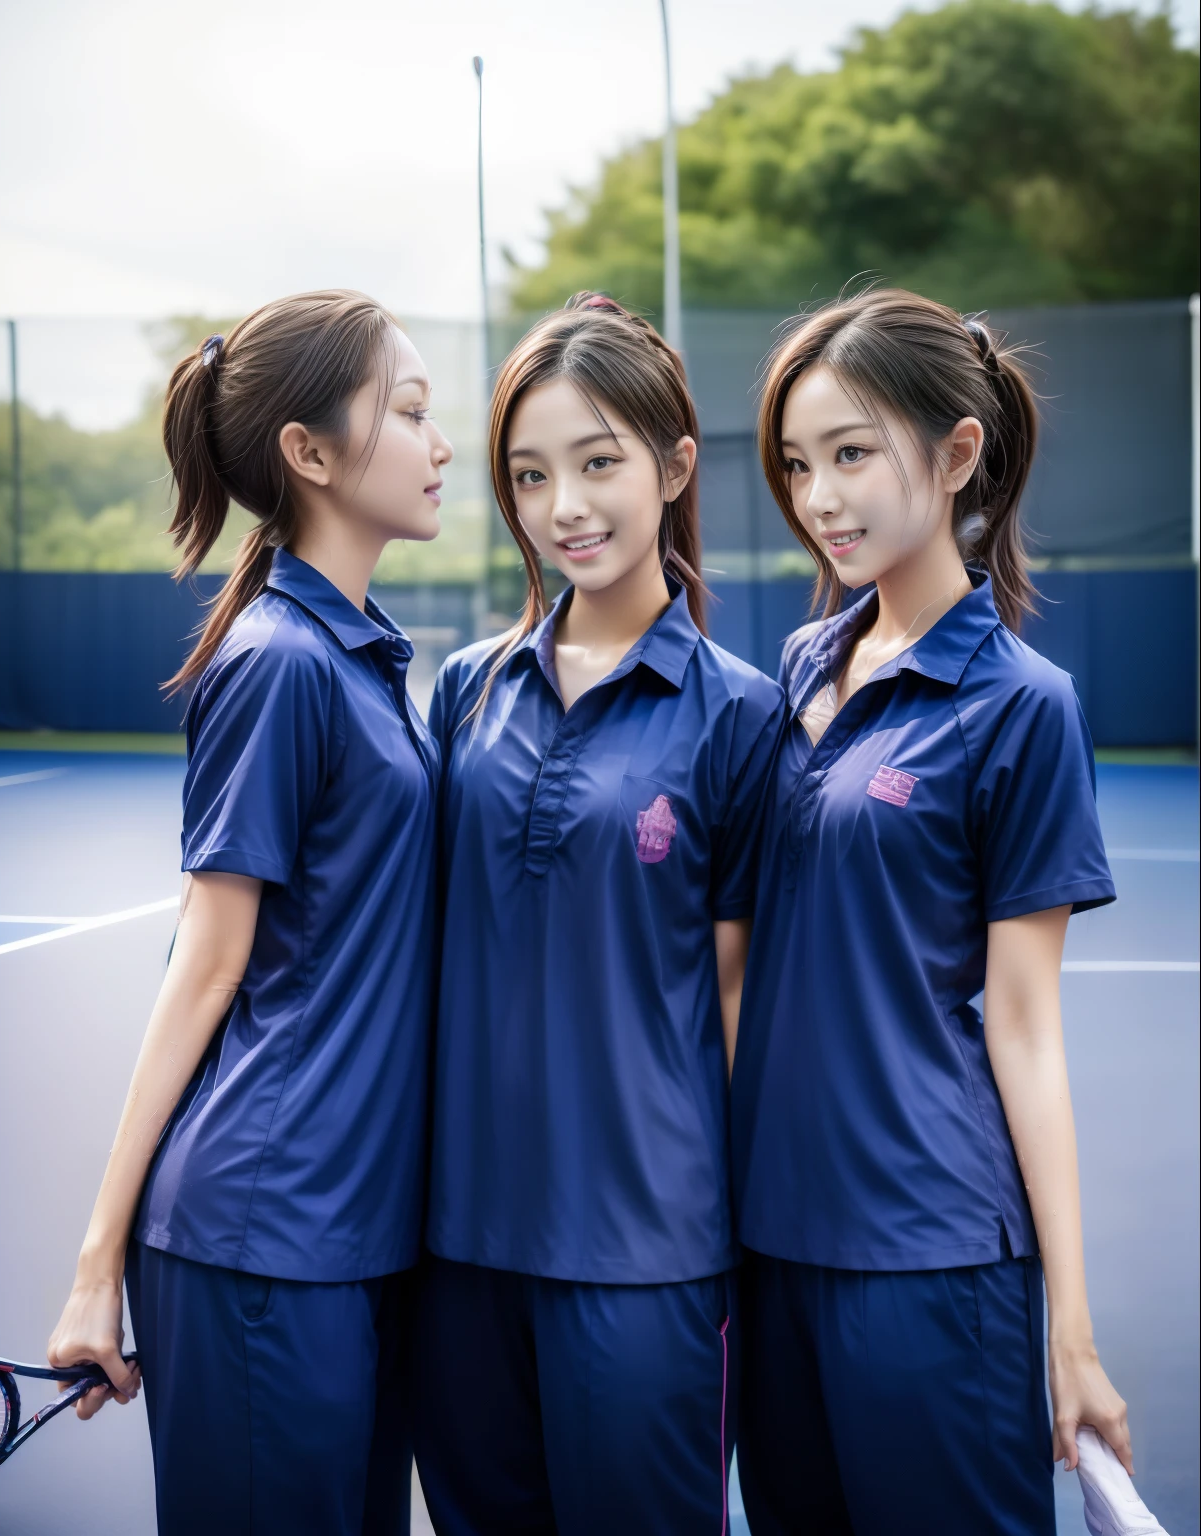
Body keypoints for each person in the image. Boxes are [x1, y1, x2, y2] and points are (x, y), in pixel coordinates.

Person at [47, 290, 453, 1536]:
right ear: (310, 453)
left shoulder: (361, 653)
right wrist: (95, 1267)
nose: (443, 445)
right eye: (413, 411)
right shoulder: (277, 662)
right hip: (262, 1242)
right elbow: (202, 971)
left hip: (351, 1243)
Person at [730, 288, 1131, 1535]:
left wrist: (1068, 1324)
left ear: (957, 454)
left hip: (931, 1256)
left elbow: (1022, 1029)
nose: (820, 498)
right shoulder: (801, 665)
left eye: (852, 453)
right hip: (767, 1250)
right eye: (798, 465)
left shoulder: (1022, 705)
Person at [413, 293, 784, 1535]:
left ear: (674, 466)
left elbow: (738, 997)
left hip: (649, 1262)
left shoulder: (740, 714)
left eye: (598, 462)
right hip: (458, 1254)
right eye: (529, 474)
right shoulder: (463, 691)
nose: (562, 505)